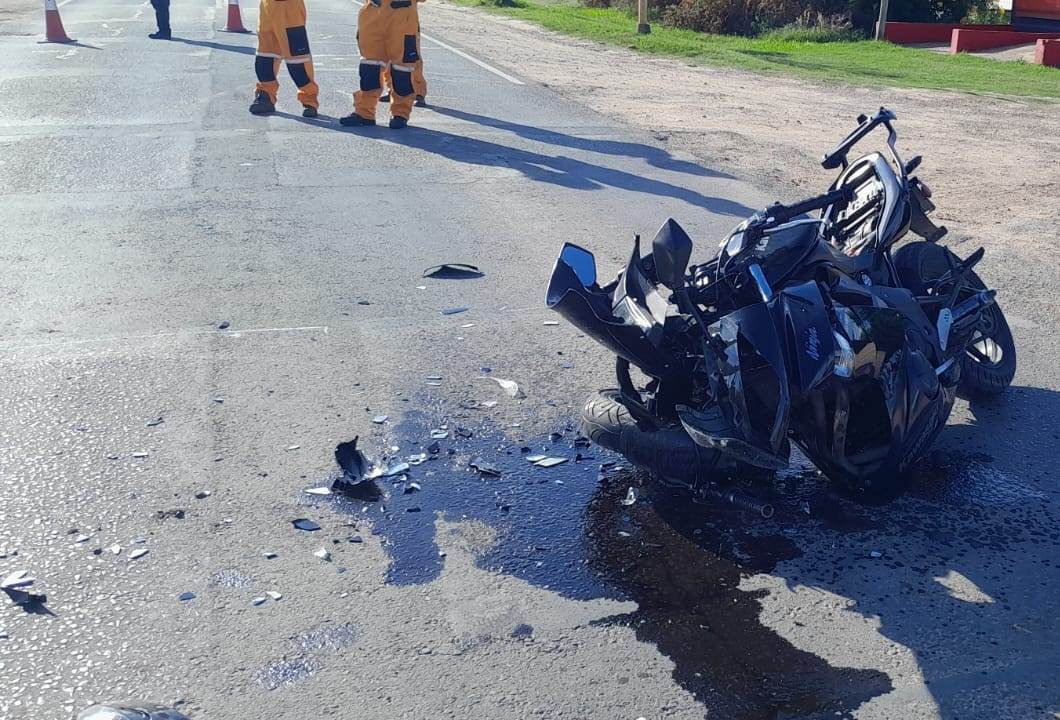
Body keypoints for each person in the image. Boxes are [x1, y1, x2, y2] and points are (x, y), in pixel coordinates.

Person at [340, 0, 420, 129]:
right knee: (369, 66)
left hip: (402, 14)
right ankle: (364, 112)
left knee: (402, 69)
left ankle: (400, 113)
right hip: (372, 11)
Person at [249, 0, 320, 118]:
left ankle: (309, 100)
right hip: (268, 7)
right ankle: (266, 95)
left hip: (290, 8)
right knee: (265, 57)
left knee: (297, 60)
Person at [381, 0, 427, 107]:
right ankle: (392, 89)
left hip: (407, 25)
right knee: (387, 57)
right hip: (384, 22)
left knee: (412, 59)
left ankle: (418, 92)